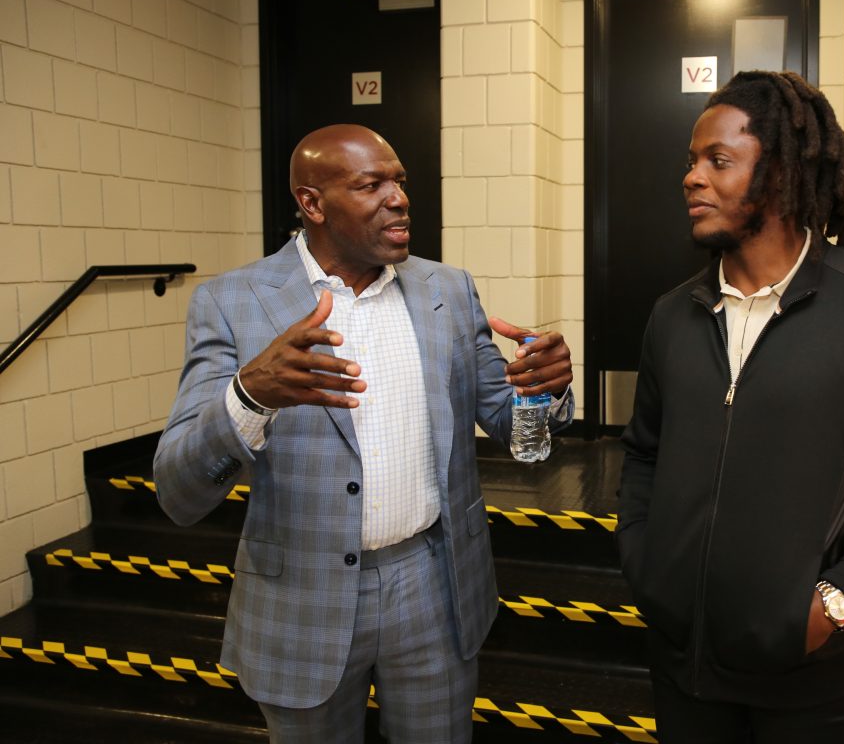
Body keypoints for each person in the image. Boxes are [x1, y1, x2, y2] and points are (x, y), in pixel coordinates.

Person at [153, 124, 574, 743]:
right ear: (312, 203)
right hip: (303, 599)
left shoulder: (448, 290)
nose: (399, 198)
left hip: (434, 588)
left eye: (399, 181)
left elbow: (517, 432)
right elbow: (179, 492)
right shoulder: (231, 302)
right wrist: (249, 396)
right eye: (370, 185)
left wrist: (541, 389)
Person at [617, 71, 844, 743]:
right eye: (692, 161)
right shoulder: (672, 316)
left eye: (717, 160)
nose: (691, 178)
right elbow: (644, 452)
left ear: (780, 173)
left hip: (813, 687)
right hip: (683, 671)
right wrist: (646, 562)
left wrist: (837, 601)